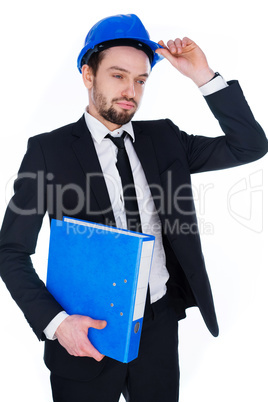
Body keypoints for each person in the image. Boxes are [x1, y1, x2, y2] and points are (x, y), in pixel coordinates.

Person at [0, 13, 267, 402]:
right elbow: (11, 251)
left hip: (157, 326)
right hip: (85, 333)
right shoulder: (48, 151)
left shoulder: (166, 138)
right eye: (118, 75)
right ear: (88, 76)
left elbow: (250, 145)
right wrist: (57, 325)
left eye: (141, 80)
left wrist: (203, 75)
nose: (131, 90)